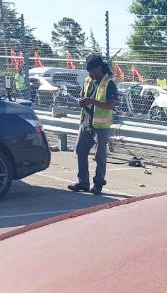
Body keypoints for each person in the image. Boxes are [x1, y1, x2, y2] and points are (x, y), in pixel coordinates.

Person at [68, 54, 118, 195]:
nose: (90, 74)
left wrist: (92, 101)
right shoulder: (88, 81)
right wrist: (82, 101)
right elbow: (84, 97)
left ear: (99, 68)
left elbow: (110, 105)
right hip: (86, 123)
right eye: (88, 71)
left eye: (92, 71)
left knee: (99, 156)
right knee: (80, 151)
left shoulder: (109, 83)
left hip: (100, 127)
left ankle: (98, 183)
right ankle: (83, 182)